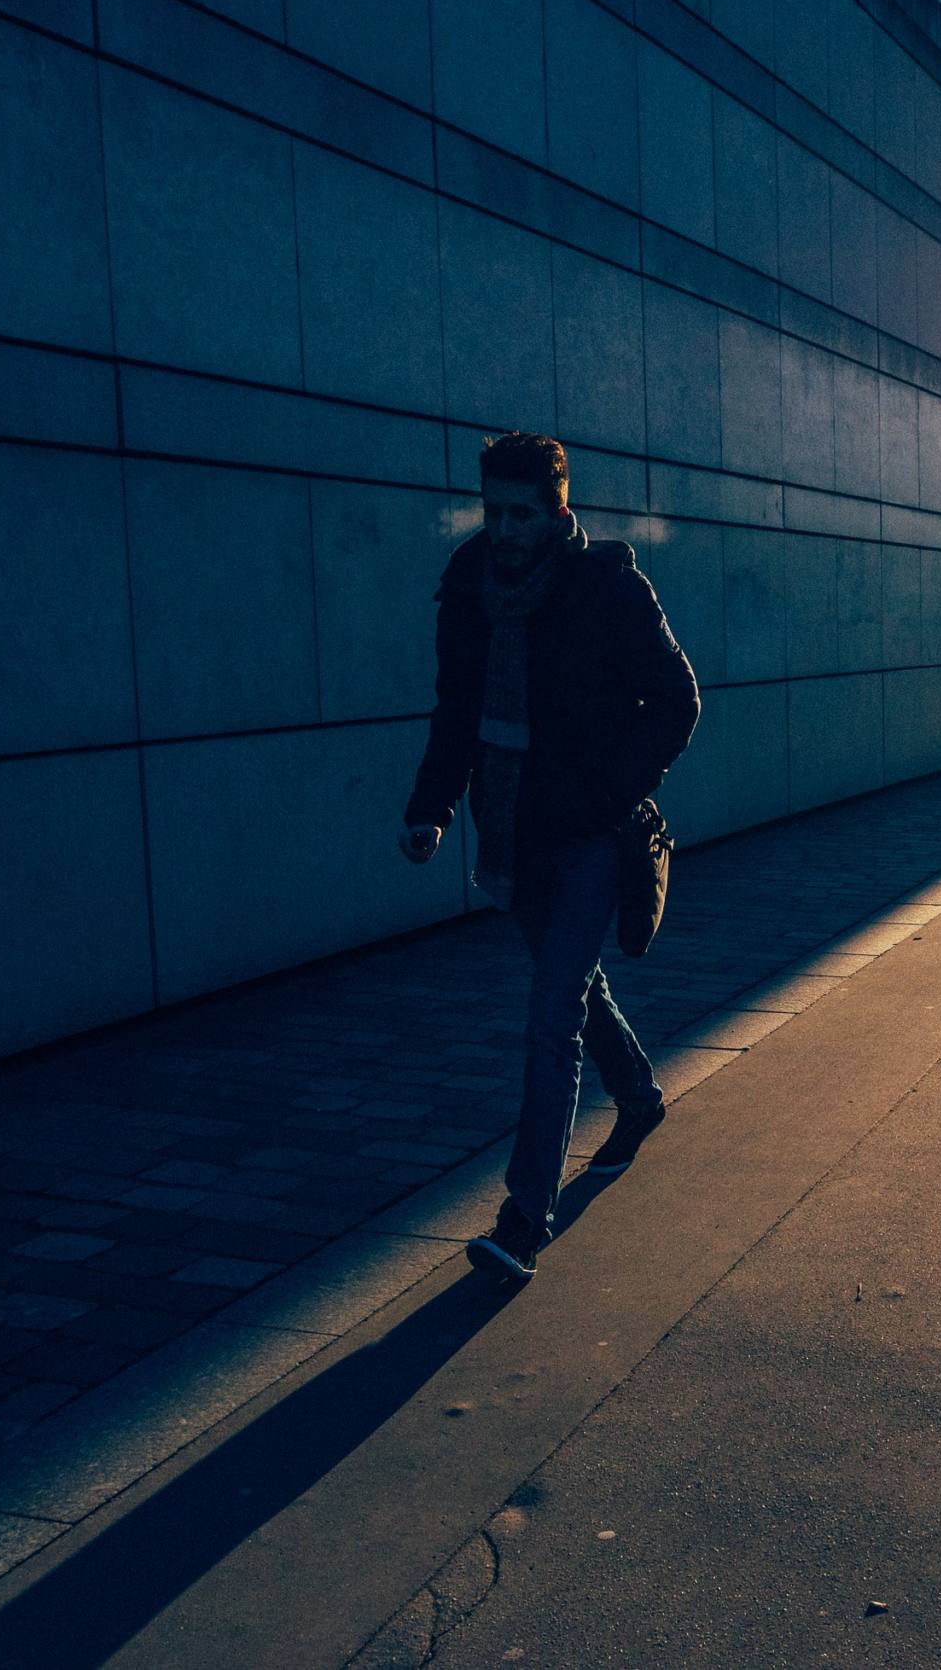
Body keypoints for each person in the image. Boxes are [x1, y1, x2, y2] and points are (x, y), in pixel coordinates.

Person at [400, 432, 701, 1286]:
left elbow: (678, 702)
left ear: (559, 511)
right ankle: (639, 1100)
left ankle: (523, 1220)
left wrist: (612, 794)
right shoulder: (467, 588)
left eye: (521, 513)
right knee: (575, 990)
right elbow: (455, 712)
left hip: (590, 837)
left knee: (550, 1017)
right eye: (493, 510)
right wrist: (430, 811)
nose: (504, 528)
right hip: (513, 833)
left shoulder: (606, 587)